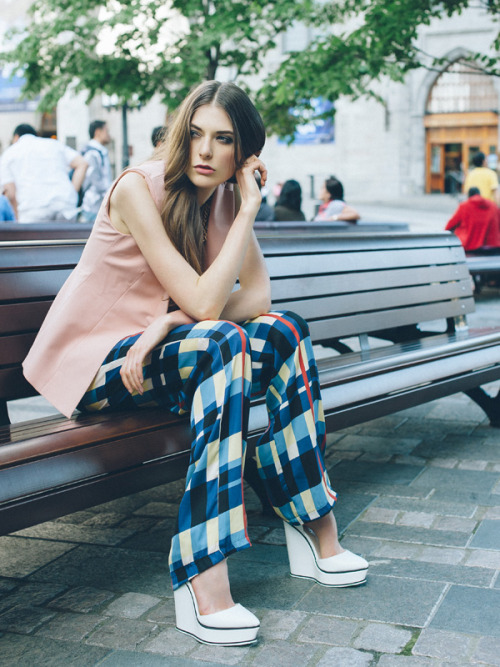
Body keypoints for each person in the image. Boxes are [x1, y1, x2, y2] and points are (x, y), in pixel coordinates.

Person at [22, 81, 368, 647]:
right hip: (94, 364)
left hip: (157, 352)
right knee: (223, 342)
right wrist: (188, 318)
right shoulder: (139, 188)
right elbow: (210, 307)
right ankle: (200, 569)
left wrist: (169, 320)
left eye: (224, 140)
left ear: (244, 153)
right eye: (197, 135)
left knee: (283, 332)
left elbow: (257, 300)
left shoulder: (227, 200)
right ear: (182, 136)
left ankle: (314, 526)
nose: (206, 151)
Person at [0, 124, 88, 223]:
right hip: (64, 205)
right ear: (36, 134)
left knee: (37, 238)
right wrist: (72, 192)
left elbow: (11, 193)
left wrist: (17, 218)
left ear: (16, 137)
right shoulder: (54, 144)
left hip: (32, 210)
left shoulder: (9, 154)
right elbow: (82, 163)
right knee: (66, 237)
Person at [445, 186, 500, 251]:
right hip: (494, 247)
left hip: (471, 247)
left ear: (469, 196)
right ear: (479, 194)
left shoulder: (464, 206)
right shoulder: (493, 206)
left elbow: (449, 226)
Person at [80, 120, 113, 222]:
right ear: (98, 132)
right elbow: (94, 179)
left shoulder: (97, 151)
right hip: (94, 206)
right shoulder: (93, 153)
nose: (109, 135)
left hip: (97, 205)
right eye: (106, 131)